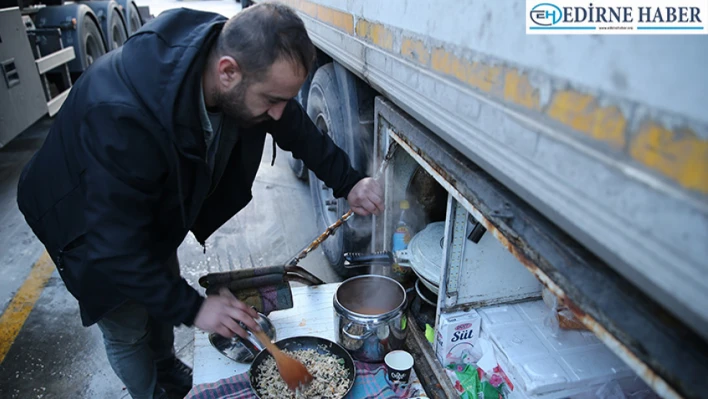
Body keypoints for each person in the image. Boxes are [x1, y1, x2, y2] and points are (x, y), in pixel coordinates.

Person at [16, 3, 384, 399]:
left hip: (140, 203)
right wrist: (195, 309)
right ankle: (150, 391)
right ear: (227, 71)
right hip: (81, 218)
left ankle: (167, 365)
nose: (278, 112)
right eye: (272, 99)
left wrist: (349, 182)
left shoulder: (235, 63)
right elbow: (116, 247)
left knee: (159, 281)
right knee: (126, 320)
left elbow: (291, 121)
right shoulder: (122, 117)